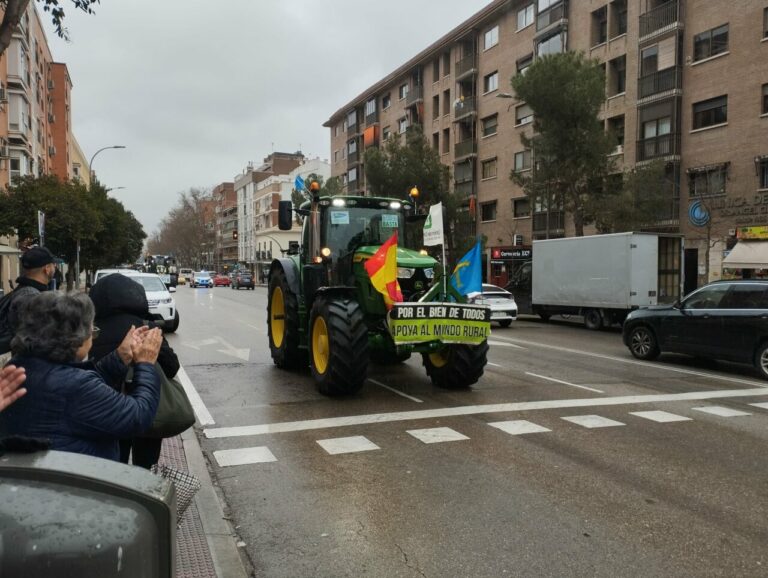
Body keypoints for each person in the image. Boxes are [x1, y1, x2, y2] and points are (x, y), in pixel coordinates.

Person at [0, 291, 163, 461]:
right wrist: (145, 364)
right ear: (76, 339)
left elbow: (76, 391)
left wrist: (120, 357)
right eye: (92, 332)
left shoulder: (19, 365)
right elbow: (138, 416)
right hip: (74, 481)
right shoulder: (74, 385)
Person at [89, 272, 181, 468]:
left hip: (107, 414)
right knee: (145, 469)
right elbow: (172, 367)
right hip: (147, 412)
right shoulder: (145, 327)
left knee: (113, 468)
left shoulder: (90, 331)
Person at [0, 246, 56, 357]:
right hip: (30, 366)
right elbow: (34, 340)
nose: (55, 267)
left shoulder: (21, 292)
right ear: (47, 269)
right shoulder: (31, 297)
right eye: (53, 264)